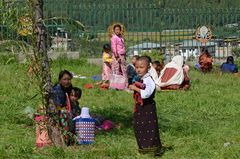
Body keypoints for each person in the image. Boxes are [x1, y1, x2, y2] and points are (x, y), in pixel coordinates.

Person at [129, 56, 162, 156]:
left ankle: (152, 149)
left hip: (148, 108)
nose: (138, 69)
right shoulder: (141, 79)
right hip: (141, 108)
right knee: (140, 127)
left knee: (149, 128)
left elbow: (146, 93)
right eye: (137, 67)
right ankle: (143, 148)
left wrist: (135, 88)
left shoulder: (148, 80)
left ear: (148, 68)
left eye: (141, 67)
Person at [110, 24, 127, 90]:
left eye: (118, 29)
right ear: (114, 30)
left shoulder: (121, 37)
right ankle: (115, 85)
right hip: (117, 56)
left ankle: (124, 84)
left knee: (123, 69)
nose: (117, 31)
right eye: (116, 29)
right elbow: (114, 47)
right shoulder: (114, 38)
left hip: (122, 55)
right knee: (116, 69)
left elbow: (123, 46)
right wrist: (117, 56)